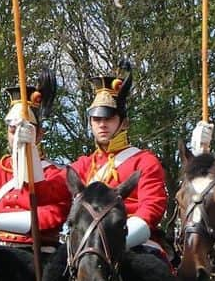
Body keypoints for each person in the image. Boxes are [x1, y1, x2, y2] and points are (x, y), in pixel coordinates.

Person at [72, 67, 168, 255]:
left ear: (123, 122)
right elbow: (47, 189)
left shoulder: (144, 161)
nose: (102, 124)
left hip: (134, 241)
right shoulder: (82, 166)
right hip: (87, 246)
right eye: (96, 119)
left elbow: (151, 209)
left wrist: (112, 243)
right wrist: (29, 147)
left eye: (109, 118)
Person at [0, 85, 71, 253]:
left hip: (38, 252)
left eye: (24, 131)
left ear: (40, 134)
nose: (17, 137)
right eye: (13, 131)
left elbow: (51, 217)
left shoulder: (56, 174)